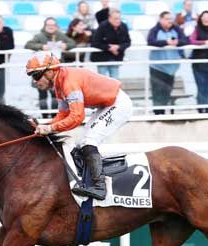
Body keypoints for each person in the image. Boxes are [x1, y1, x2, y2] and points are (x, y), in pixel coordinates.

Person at [27, 51, 133, 200]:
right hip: (106, 105)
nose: (35, 81)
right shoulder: (59, 85)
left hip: (118, 104)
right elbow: (63, 115)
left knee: (88, 142)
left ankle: (99, 187)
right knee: (81, 144)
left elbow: (77, 117)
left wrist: (50, 128)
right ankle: (90, 179)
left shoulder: (68, 83)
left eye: (36, 75)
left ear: (50, 71)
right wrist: (44, 125)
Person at [25, 18, 76, 118]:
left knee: (56, 94)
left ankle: (54, 116)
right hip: (40, 70)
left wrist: (65, 45)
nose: (51, 27)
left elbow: (72, 43)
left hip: (55, 70)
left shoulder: (61, 35)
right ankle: (44, 116)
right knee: (42, 94)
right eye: (49, 25)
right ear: (45, 26)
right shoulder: (39, 36)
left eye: (53, 25)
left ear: (56, 26)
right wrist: (41, 46)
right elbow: (28, 44)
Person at [147, 11, 188, 115]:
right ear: (160, 19)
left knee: (167, 91)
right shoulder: (154, 30)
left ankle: (164, 112)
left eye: (170, 19)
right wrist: (166, 42)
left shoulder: (176, 29)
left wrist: (177, 42)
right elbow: (151, 41)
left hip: (172, 68)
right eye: (167, 19)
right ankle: (158, 113)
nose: (169, 21)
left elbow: (185, 40)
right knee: (157, 91)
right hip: (157, 67)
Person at [189, 11, 208, 113]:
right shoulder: (197, 30)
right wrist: (205, 42)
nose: (206, 19)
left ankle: (207, 109)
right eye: (204, 17)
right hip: (199, 62)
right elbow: (192, 41)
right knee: (201, 87)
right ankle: (201, 109)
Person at [91, 9, 131, 79]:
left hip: (116, 57)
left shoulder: (123, 26)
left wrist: (118, 47)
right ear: (109, 18)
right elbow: (95, 43)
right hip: (102, 58)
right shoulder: (102, 26)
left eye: (119, 18)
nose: (118, 21)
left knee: (115, 80)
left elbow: (128, 42)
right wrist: (109, 48)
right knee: (102, 81)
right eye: (115, 19)